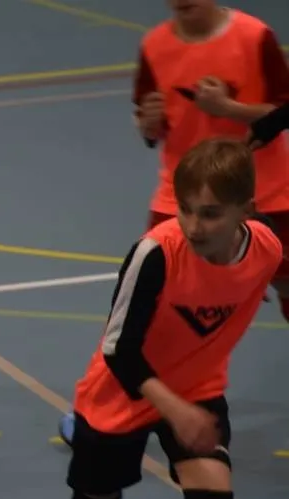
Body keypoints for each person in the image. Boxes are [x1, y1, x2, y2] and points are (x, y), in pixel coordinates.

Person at [56, 137, 283, 499]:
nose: (195, 226)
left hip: (197, 391)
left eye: (211, 213)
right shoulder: (156, 254)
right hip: (122, 393)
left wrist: (186, 405)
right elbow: (119, 350)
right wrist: (175, 411)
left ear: (248, 210)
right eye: (186, 210)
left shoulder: (267, 251)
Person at [59, 0, 289, 446]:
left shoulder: (252, 36)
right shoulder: (156, 45)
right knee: (138, 312)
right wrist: (147, 126)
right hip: (181, 200)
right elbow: (152, 126)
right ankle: (95, 409)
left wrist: (229, 107)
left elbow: (284, 110)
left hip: (265, 191)